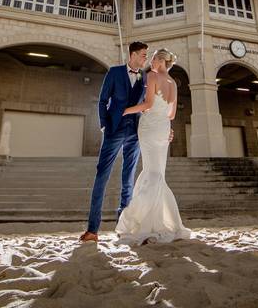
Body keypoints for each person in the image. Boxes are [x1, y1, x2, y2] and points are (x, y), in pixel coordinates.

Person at [115, 48, 191, 244]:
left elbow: (148, 104)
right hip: (164, 128)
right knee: (157, 174)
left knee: (151, 173)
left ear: (160, 61)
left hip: (149, 128)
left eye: (154, 58)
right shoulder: (173, 83)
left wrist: (125, 111)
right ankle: (160, 223)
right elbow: (172, 114)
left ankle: (143, 222)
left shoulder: (152, 76)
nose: (151, 61)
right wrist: (163, 125)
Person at [80, 41, 149, 242]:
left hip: (135, 132)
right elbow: (102, 100)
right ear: (134, 55)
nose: (146, 58)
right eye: (144, 54)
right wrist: (104, 125)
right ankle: (93, 229)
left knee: (128, 180)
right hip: (114, 130)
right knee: (102, 176)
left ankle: (123, 227)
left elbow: (147, 104)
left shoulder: (145, 77)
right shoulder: (114, 72)